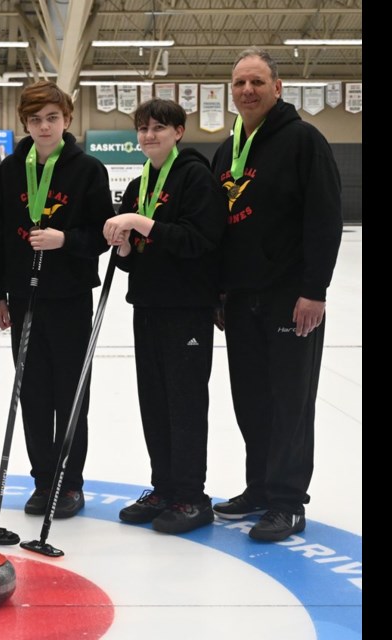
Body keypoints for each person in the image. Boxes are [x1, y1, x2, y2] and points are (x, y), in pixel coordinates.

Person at [210, 48, 343, 541]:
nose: (247, 90)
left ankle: (287, 502)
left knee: (289, 400)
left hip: (291, 297)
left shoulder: (304, 141)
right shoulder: (227, 151)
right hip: (242, 299)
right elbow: (221, 229)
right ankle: (259, 488)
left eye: (257, 81)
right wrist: (219, 291)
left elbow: (325, 219)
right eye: (240, 82)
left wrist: (314, 290)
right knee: (250, 397)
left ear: (277, 87)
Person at [103, 99, 226, 534]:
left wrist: (141, 222)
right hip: (149, 307)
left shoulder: (196, 176)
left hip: (187, 309)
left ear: (178, 131)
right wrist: (122, 246)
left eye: (159, 127)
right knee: (154, 400)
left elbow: (200, 240)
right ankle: (164, 487)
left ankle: (192, 495)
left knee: (185, 401)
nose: (149, 135)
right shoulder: (138, 184)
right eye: (143, 128)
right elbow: (134, 260)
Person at [0, 81, 112, 518]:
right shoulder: (10, 170)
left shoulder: (88, 170)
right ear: (24, 122)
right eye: (36, 119)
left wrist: (67, 240)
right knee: (35, 396)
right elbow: (0, 237)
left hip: (69, 299)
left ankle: (69, 482)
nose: (44, 127)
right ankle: (43, 480)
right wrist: (1, 294)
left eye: (53, 118)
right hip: (23, 301)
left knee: (70, 395)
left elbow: (103, 234)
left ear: (67, 120)